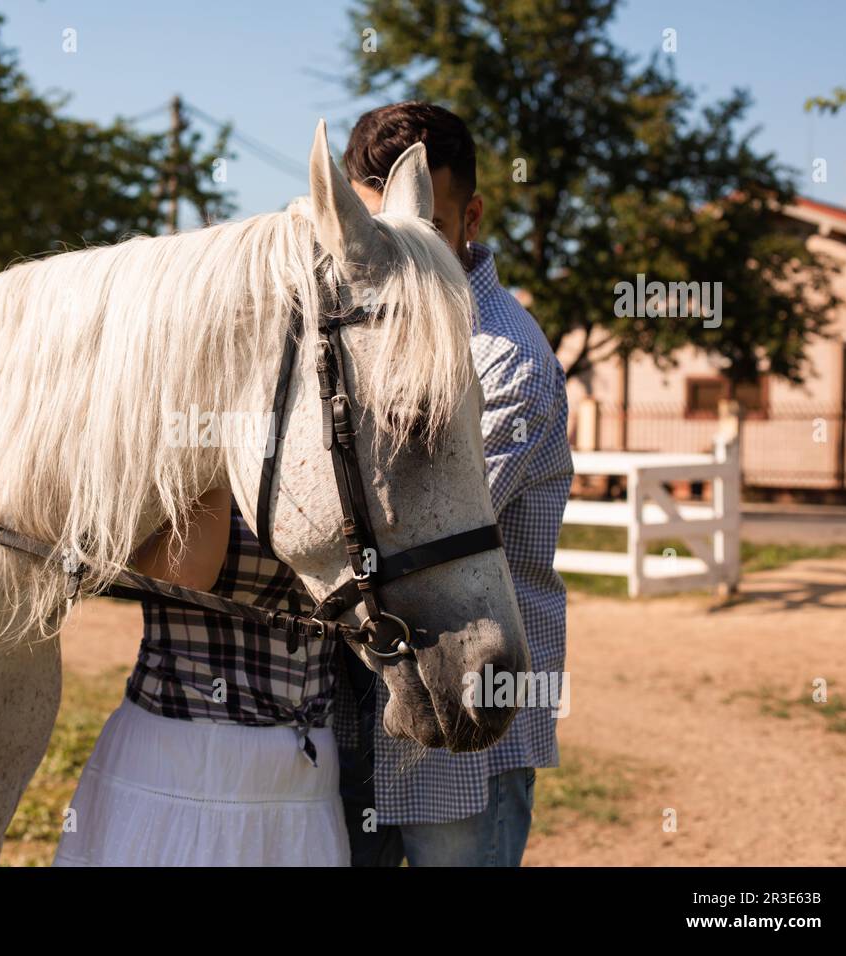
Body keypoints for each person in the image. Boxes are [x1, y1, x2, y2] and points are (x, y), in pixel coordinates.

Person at [336, 101, 573, 867]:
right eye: (375, 233)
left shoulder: (505, 361)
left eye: (424, 228)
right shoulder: (379, 332)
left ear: (471, 214)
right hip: (380, 702)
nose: (394, 258)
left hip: (470, 715)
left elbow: (413, 531)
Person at [52, 488, 351, 866]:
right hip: (186, 759)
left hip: (307, 769)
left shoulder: (331, 457)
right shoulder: (192, 459)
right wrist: (214, 454)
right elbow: (188, 575)